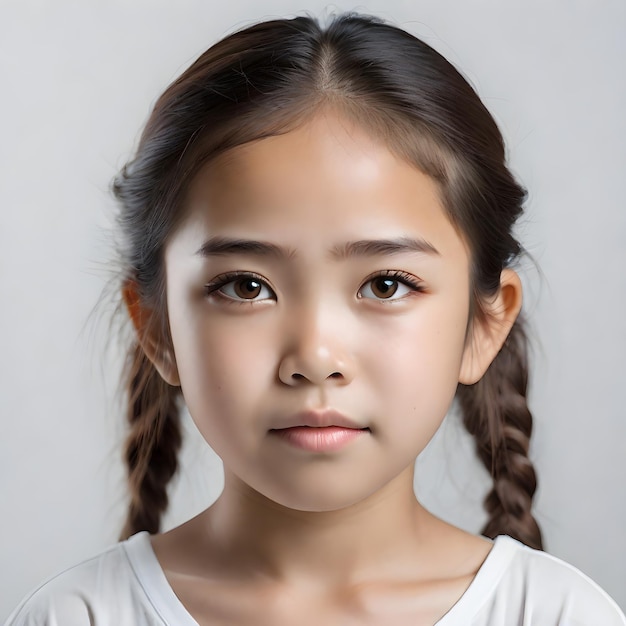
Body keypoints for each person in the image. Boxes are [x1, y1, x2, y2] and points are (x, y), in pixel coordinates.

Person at [5, 12, 625, 626]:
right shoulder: (75, 617)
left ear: (483, 326)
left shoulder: (559, 616)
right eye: (246, 286)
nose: (315, 356)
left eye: (386, 284)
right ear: (158, 329)